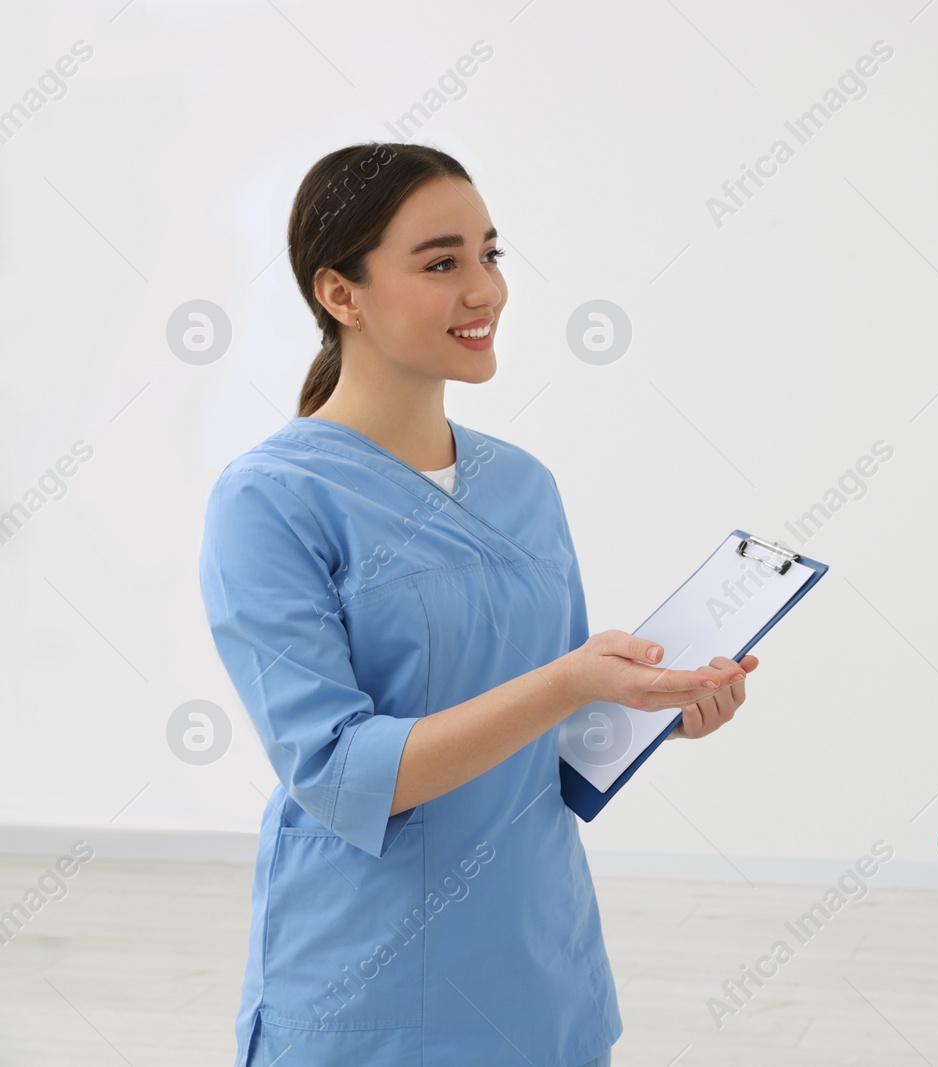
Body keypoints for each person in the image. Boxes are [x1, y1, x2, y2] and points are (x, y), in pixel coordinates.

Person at [197, 142, 757, 1067]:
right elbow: (337, 771)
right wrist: (571, 682)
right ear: (342, 294)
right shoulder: (271, 500)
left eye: (490, 255)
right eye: (442, 262)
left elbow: (556, 738)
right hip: (371, 985)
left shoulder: (523, 485)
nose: (485, 290)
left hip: (542, 971)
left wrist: (658, 710)